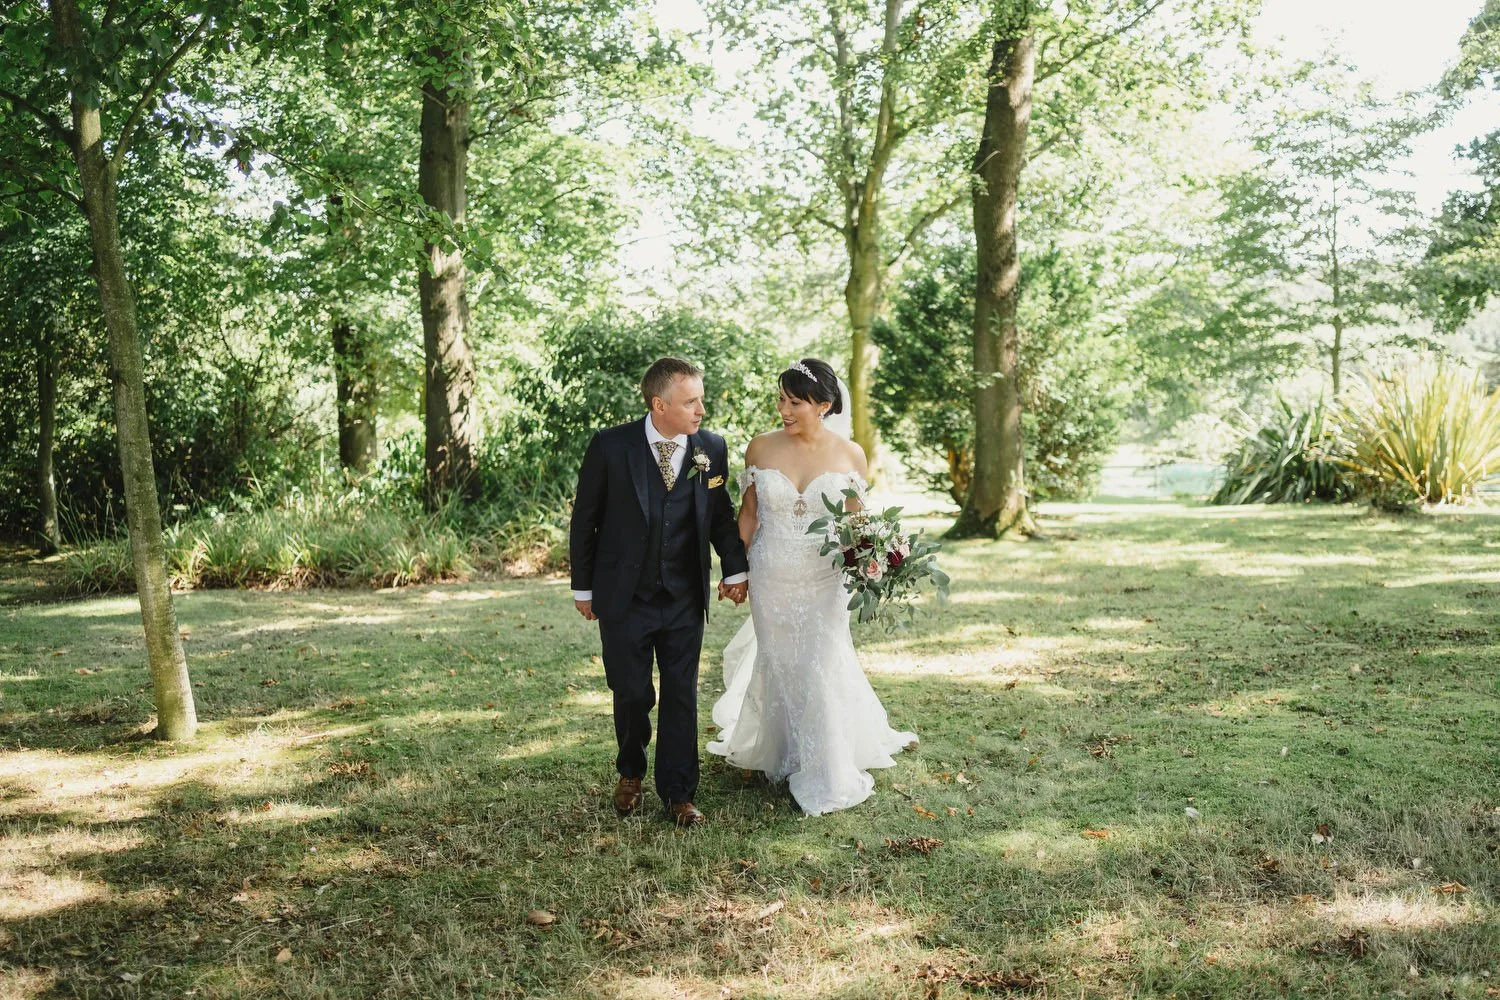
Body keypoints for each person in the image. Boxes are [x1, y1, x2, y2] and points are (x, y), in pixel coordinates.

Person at [707, 358, 917, 815]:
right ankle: (784, 750)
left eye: (795, 402)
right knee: (780, 660)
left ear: (823, 405)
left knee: (819, 661)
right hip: (771, 573)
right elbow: (749, 514)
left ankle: (825, 764)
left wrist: (877, 559)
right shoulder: (760, 448)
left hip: (824, 577)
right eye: (781, 399)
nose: (784, 409)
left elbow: (859, 523)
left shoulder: (850, 454)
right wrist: (734, 571)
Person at [570, 358, 749, 827]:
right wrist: (583, 586)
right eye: (691, 401)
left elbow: (720, 516)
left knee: (681, 694)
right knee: (630, 692)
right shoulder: (612, 446)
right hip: (624, 597)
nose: (701, 410)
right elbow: (585, 519)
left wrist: (734, 569)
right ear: (659, 404)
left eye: (701, 400)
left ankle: (679, 793)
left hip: (684, 596)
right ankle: (630, 770)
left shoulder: (710, 448)